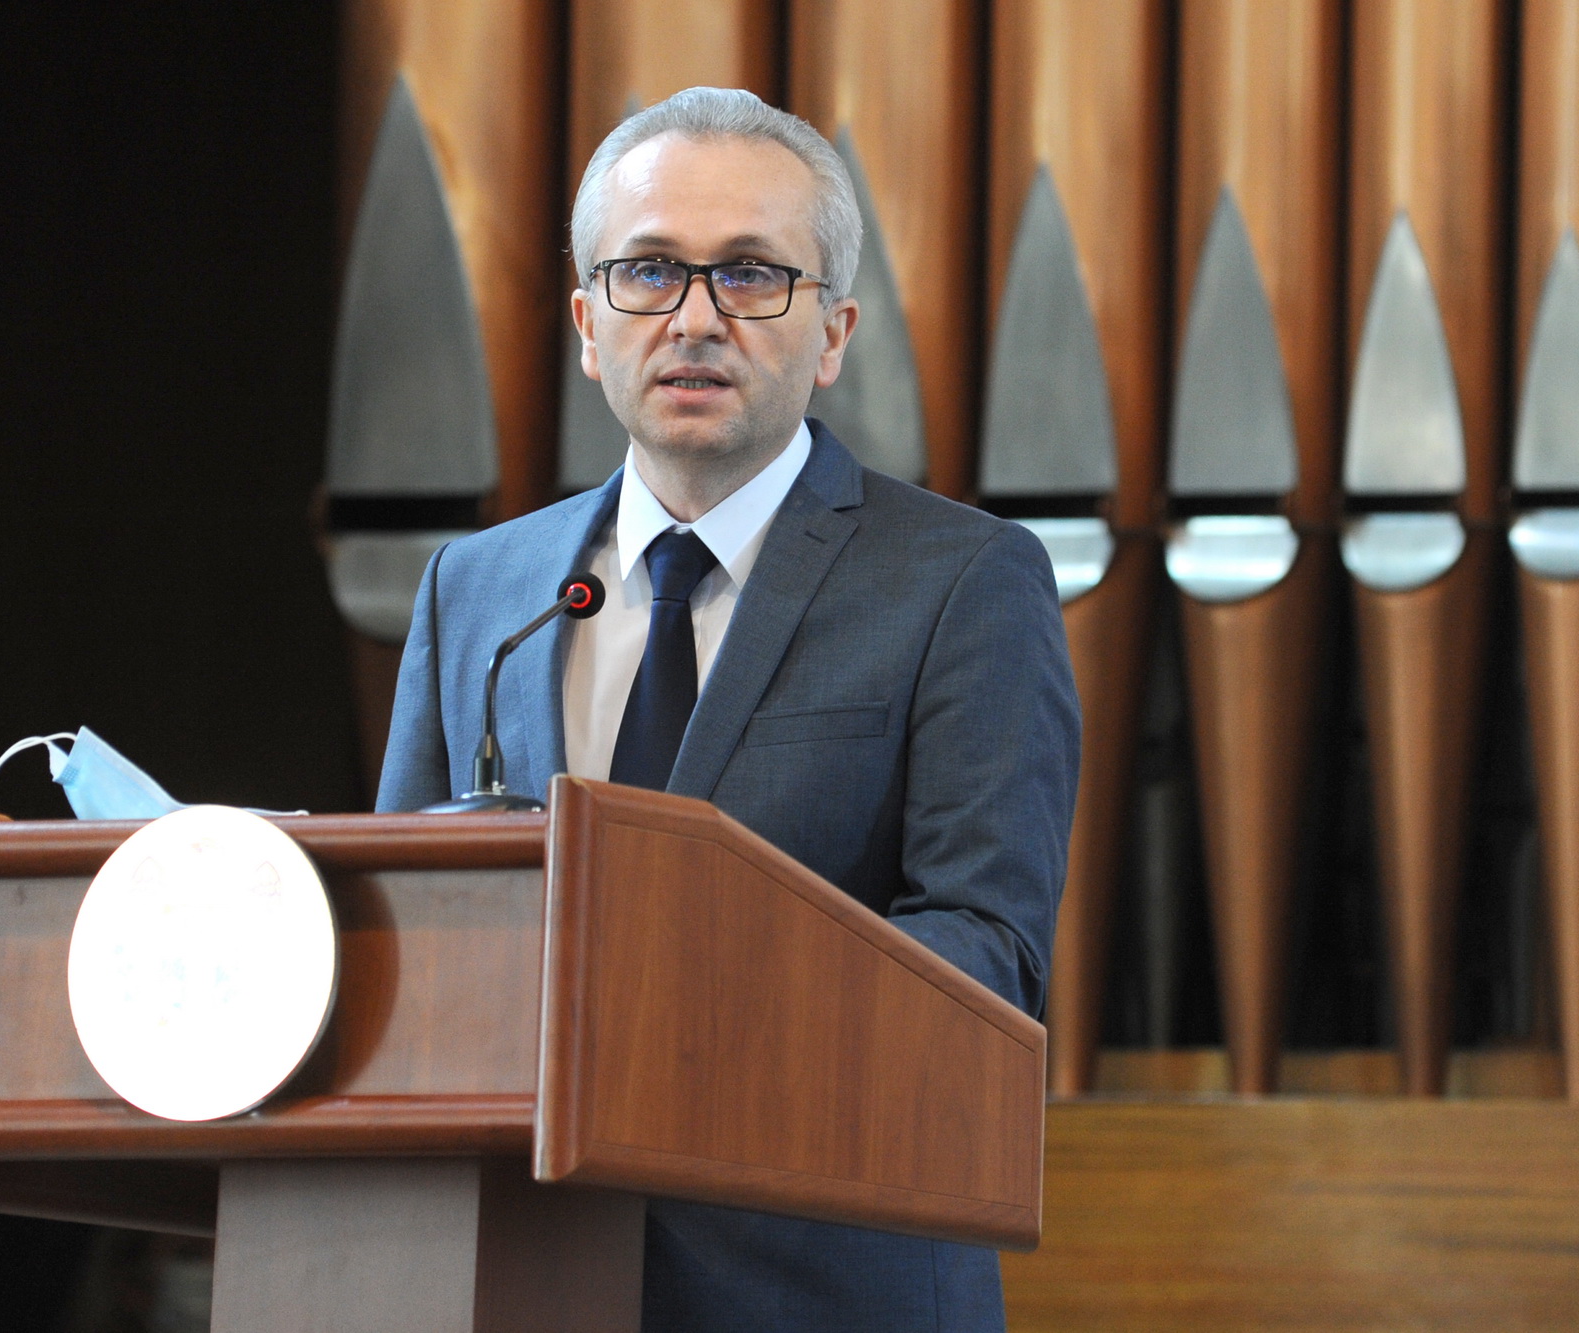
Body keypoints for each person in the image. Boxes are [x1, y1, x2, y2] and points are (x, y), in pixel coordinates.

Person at [377, 87, 1079, 1333]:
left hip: (821, 1290)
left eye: (750, 274)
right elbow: (410, 925)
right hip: (517, 1278)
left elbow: (983, 958)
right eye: (649, 270)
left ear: (832, 332)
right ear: (588, 323)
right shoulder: (477, 587)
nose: (694, 318)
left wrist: (668, 1006)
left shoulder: (963, 581)